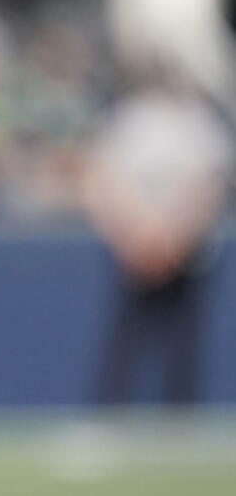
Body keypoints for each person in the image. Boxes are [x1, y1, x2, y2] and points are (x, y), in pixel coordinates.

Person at [83, 55, 234, 405]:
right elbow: (104, 180)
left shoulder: (199, 121)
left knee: (185, 345)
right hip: (136, 250)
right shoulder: (129, 119)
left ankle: (182, 418)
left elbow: (208, 185)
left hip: (186, 253)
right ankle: (109, 416)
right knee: (125, 342)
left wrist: (170, 235)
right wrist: (140, 234)